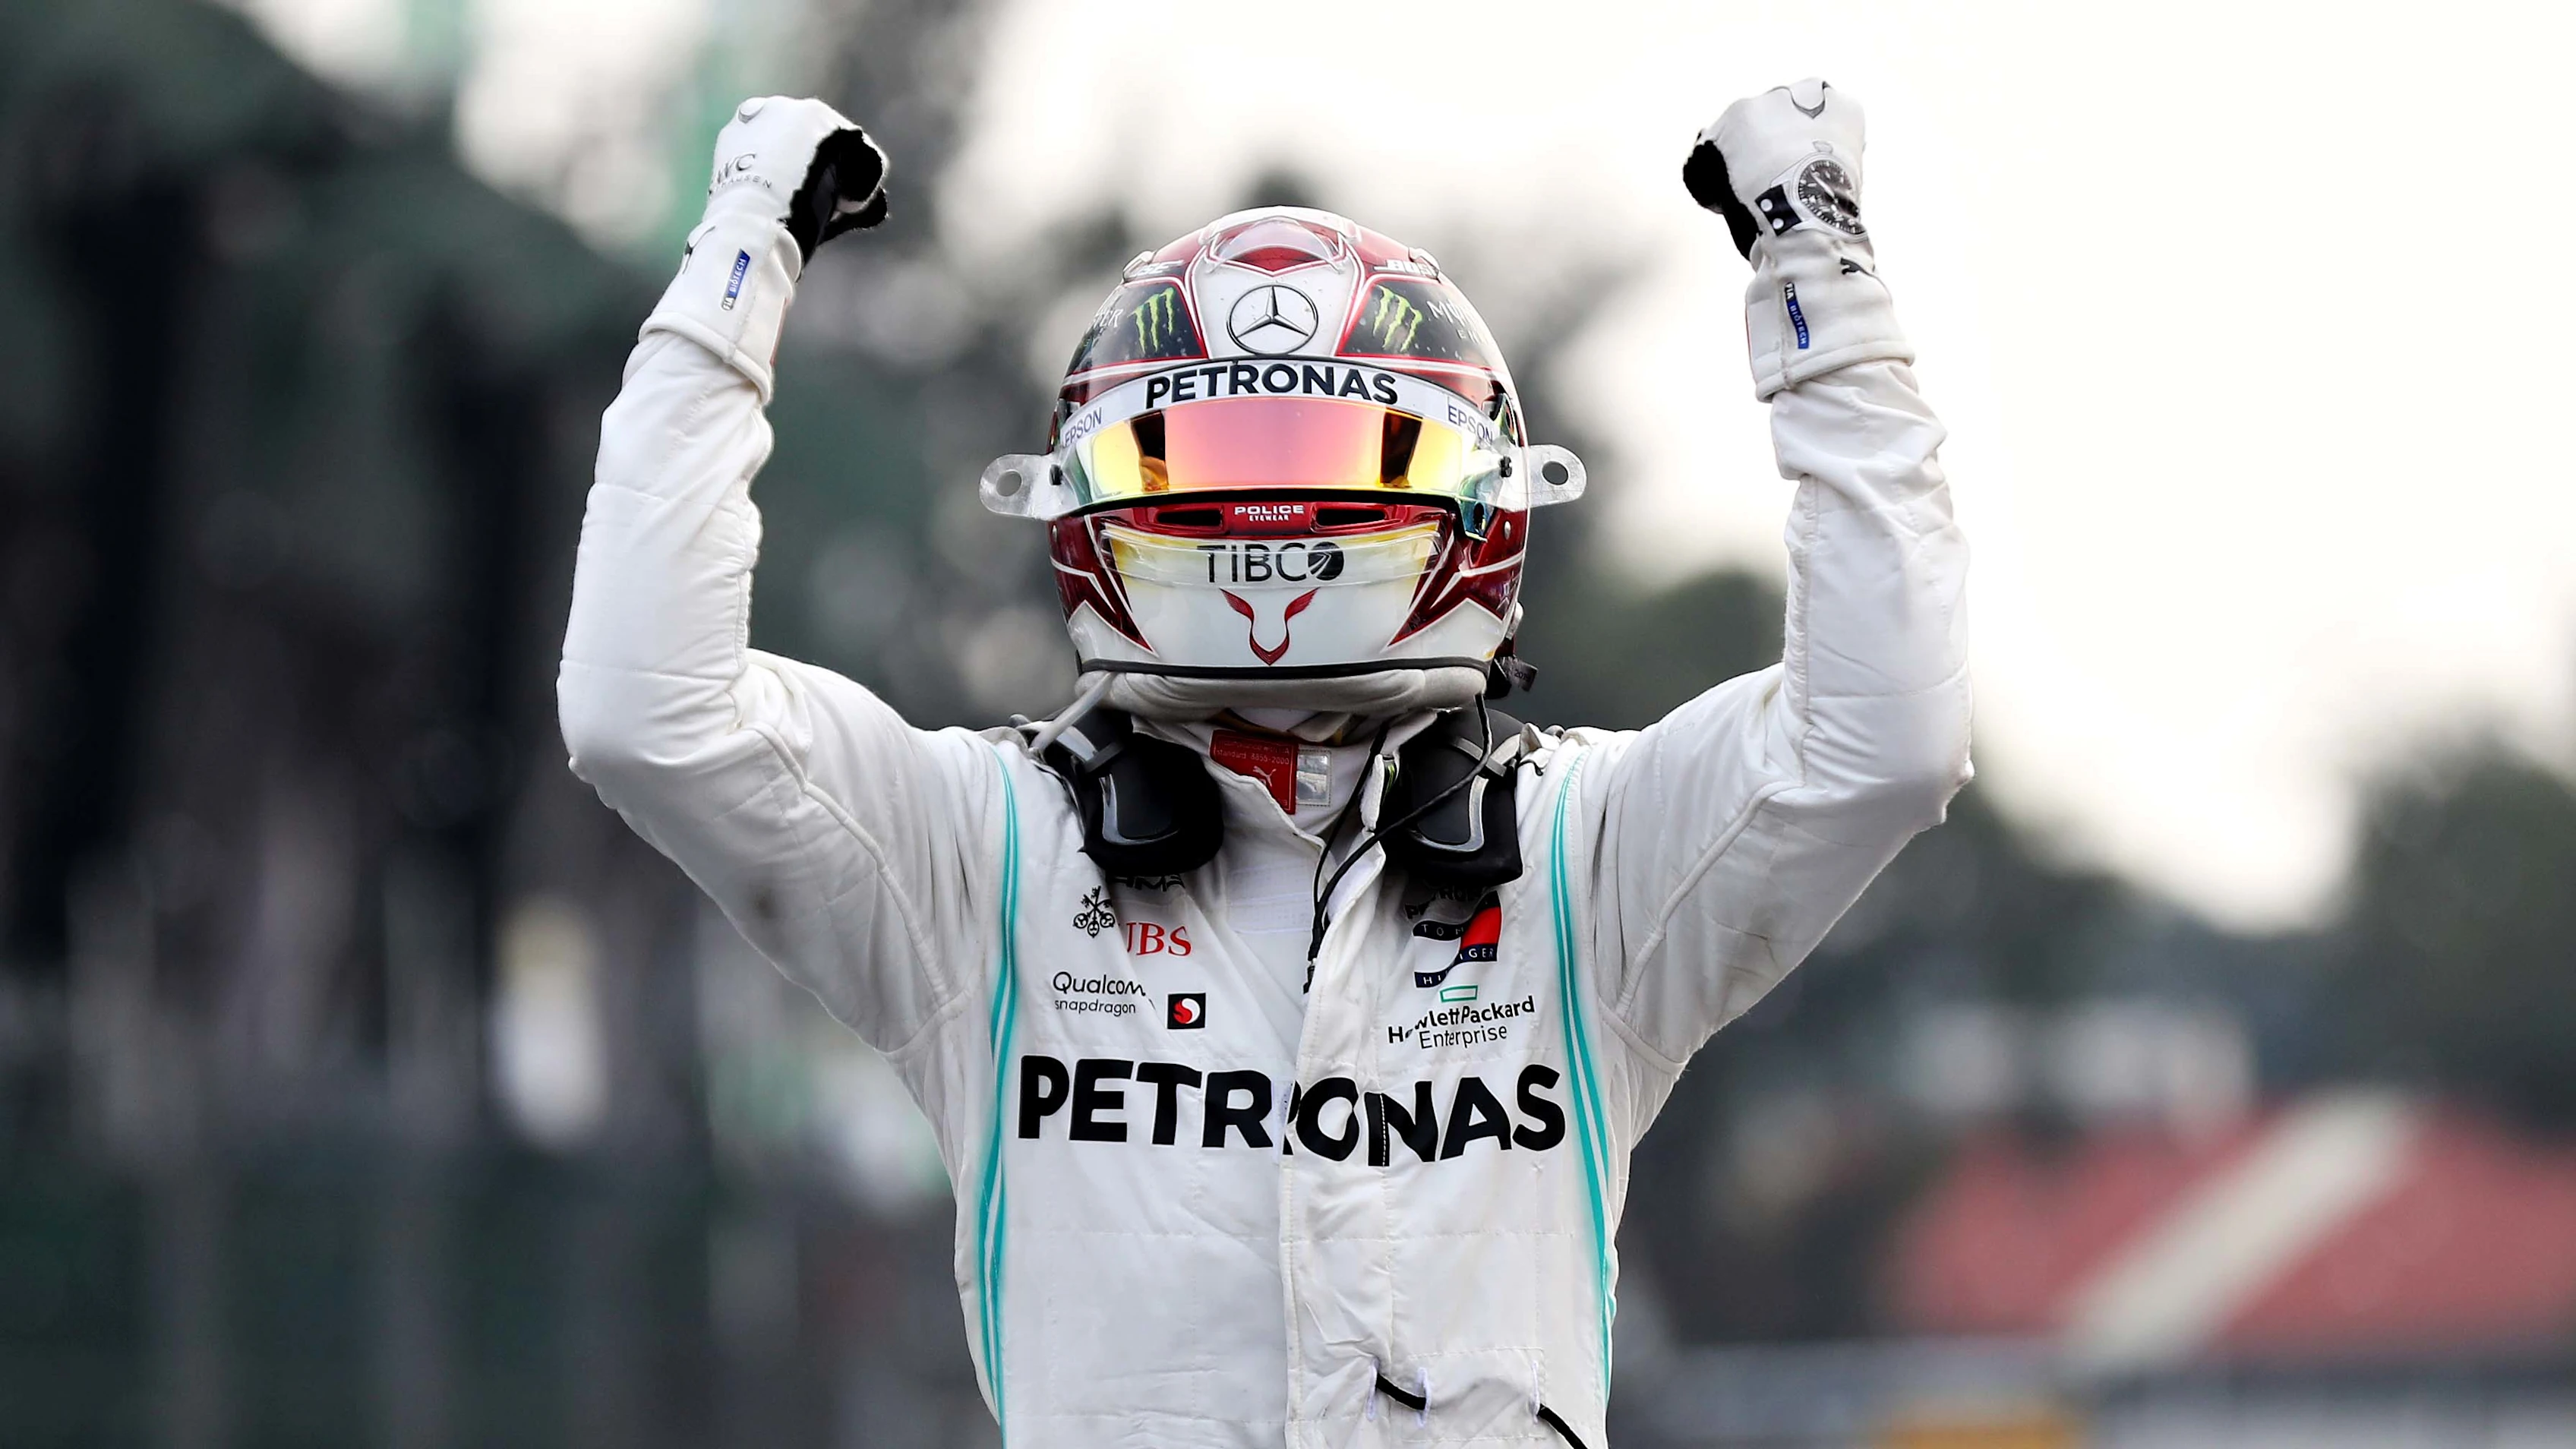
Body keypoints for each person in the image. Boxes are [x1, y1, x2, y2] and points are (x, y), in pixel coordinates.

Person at [559, 78, 1969, 1449]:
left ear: (1473, 496)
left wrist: (1817, 275)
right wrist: (737, 261)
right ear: (1084, 496)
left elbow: (1886, 736)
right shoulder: (981, 858)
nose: (1271, 514)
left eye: (1339, 453)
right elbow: (645, 710)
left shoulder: (1580, 856)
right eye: (1195, 465)